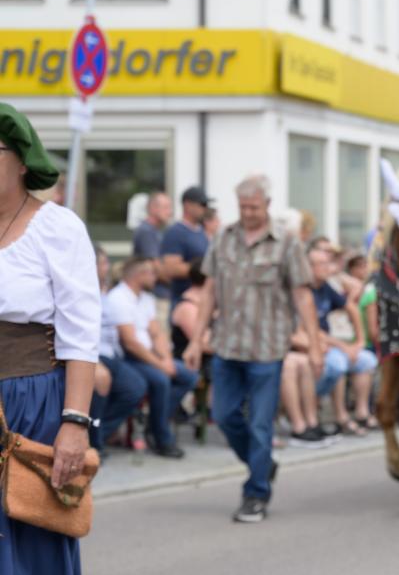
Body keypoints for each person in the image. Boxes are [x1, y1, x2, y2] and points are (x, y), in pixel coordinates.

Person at [0, 102, 100, 575]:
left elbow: (81, 333)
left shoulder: (57, 227)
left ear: (18, 161)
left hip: (33, 406)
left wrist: (74, 421)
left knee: (31, 558)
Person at [183, 175, 323, 523]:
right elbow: (209, 291)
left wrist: (315, 345)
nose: (248, 213)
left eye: (254, 207)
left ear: (267, 206)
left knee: (261, 425)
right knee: (226, 414)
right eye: (243, 207)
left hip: (267, 349)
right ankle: (263, 464)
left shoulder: (287, 244)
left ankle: (255, 493)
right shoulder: (224, 239)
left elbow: (303, 296)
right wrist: (196, 339)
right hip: (227, 345)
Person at [105, 256, 194, 459]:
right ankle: (161, 437)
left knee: (188, 375)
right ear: (139, 275)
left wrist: (167, 360)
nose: (157, 277)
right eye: (152, 272)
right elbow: (130, 343)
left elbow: (157, 333)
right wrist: (161, 365)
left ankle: (155, 421)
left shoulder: (146, 298)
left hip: (151, 357)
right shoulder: (118, 298)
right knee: (161, 380)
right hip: (129, 358)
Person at [307, 247, 377, 434]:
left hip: (329, 344)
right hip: (312, 344)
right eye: (323, 264)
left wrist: (360, 341)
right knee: (338, 363)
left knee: (366, 360)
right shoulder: (305, 291)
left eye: (329, 263)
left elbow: (351, 308)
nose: (328, 268)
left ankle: (362, 412)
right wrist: (345, 347)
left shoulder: (326, 287)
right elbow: (310, 329)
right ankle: (333, 413)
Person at [89, 245, 146, 452]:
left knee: (135, 387)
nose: (108, 267)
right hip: (93, 354)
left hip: (112, 354)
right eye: (103, 263)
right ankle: (93, 442)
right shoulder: (82, 289)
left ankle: (99, 434)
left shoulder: (105, 292)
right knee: (101, 382)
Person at [160, 186, 212, 310]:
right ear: (187, 205)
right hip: (183, 304)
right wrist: (203, 267)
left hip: (201, 301)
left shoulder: (201, 232)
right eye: (202, 204)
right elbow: (170, 269)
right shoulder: (176, 232)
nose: (205, 208)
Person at [131, 191, 173, 308]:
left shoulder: (156, 231)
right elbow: (155, 266)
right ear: (153, 208)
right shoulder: (147, 231)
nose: (170, 212)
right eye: (166, 207)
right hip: (156, 297)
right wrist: (177, 283)